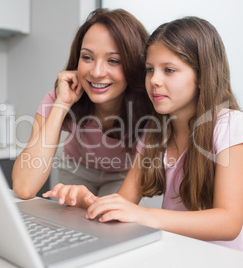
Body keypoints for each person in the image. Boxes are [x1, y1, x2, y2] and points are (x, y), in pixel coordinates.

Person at [43, 16, 243, 254]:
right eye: (150, 69)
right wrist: (86, 199)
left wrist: (142, 215)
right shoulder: (154, 134)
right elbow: (124, 204)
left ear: (202, 75)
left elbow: (228, 223)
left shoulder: (229, 125)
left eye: (169, 70)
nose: (154, 80)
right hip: (179, 256)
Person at [12, 9, 151, 199]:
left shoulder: (148, 106)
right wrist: (62, 104)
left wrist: (88, 204)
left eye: (113, 60)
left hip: (124, 175)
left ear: (134, 64)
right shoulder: (60, 95)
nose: (96, 72)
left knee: (108, 225)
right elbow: (24, 187)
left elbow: (118, 208)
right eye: (87, 57)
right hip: (76, 169)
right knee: (67, 224)